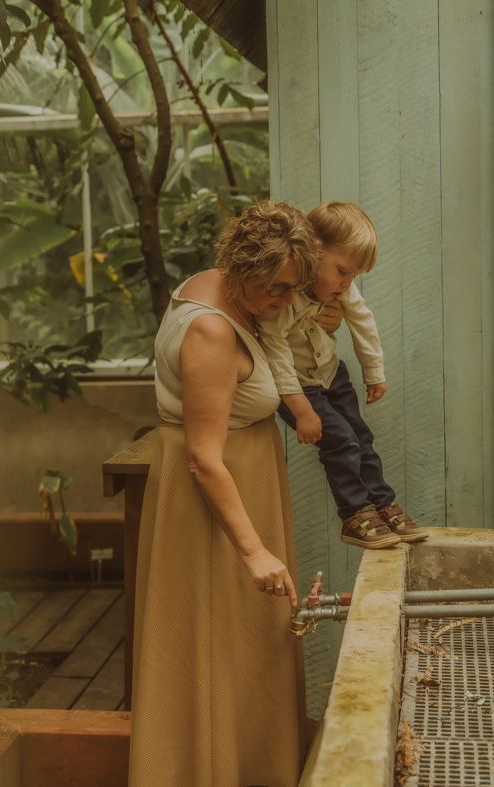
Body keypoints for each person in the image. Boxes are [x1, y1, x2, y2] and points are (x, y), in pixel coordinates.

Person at [130, 201, 320, 787]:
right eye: (277, 288)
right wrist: (254, 551)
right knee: (216, 643)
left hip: (239, 485)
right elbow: (204, 458)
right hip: (216, 502)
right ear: (242, 270)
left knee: (244, 645)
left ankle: (250, 765)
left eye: (295, 287)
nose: (287, 300)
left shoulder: (215, 287)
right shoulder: (212, 330)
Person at [259, 201, 427, 550]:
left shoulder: (341, 289)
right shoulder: (285, 296)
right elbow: (275, 355)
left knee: (361, 438)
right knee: (340, 441)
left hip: (333, 376)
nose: (346, 284)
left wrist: (374, 373)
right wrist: (302, 410)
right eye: (342, 271)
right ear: (313, 251)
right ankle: (354, 515)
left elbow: (363, 321)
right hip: (299, 388)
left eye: (353, 276)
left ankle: (381, 504)